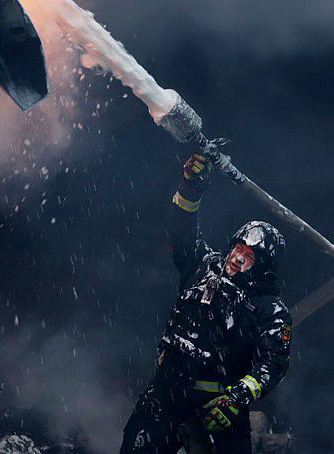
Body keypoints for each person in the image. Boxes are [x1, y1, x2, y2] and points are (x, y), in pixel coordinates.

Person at [120, 152, 292, 454]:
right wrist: (190, 186)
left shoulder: (269, 309)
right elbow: (181, 231)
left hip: (219, 409)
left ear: (262, 268)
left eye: (249, 256)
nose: (238, 258)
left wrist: (237, 397)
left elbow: (273, 362)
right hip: (165, 395)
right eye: (238, 248)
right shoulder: (202, 265)